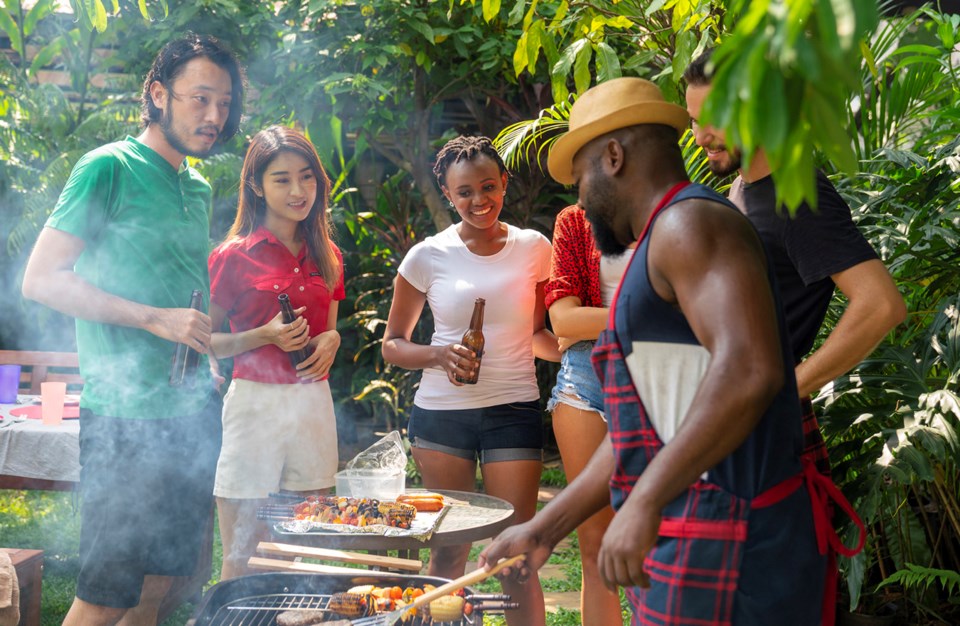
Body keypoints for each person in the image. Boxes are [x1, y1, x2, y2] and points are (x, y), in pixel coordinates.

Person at [479, 77, 863, 625]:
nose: (581, 200)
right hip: (695, 530)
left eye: (581, 177)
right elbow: (649, 422)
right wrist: (545, 527)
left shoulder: (690, 223)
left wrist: (644, 500)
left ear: (613, 156)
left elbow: (749, 369)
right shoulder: (664, 238)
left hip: (737, 540)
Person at [21, 34, 244, 626]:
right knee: (104, 594)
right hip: (122, 416)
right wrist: (154, 319)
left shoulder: (195, 188)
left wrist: (206, 355)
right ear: (157, 94)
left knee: (165, 581)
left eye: (223, 103)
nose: (214, 116)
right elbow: (42, 279)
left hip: (189, 411)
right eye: (200, 99)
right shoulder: (108, 168)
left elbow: (182, 294)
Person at [683, 49, 906, 475]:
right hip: (723, 416)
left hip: (761, 426)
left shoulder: (798, 196)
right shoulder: (742, 188)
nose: (700, 136)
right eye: (695, 120)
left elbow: (881, 305)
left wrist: (787, 392)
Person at [382, 135, 558, 626]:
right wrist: (439, 354)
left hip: (513, 410)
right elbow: (392, 344)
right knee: (448, 555)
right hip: (442, 418)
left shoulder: (534, 248)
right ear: (447, 194)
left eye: (488, 186)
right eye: (465, 193)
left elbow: (539, 333)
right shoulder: (427, 256)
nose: (478, 200)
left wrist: (586, 356)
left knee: (515, 557)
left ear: (504, 182)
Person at [208, 125, 345, 579]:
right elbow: (207, 340)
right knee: (241, 556)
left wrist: (333, 339)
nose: (298, 190)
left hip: (312, 405)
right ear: (257, 186)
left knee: (294, 553)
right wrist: (262, 335)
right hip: (254, 405)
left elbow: (329, 332)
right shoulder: (233, 255)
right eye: (282, 179)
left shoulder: (328, 253)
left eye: (306, 177)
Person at [544, 204, 625, 626]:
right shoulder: (575, 220)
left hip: (660, 377)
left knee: (669, 543)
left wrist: (590, 321)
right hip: (585, 381)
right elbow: (562, 318)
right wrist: (649, 316)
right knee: (596, 549)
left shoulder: (674, 211)